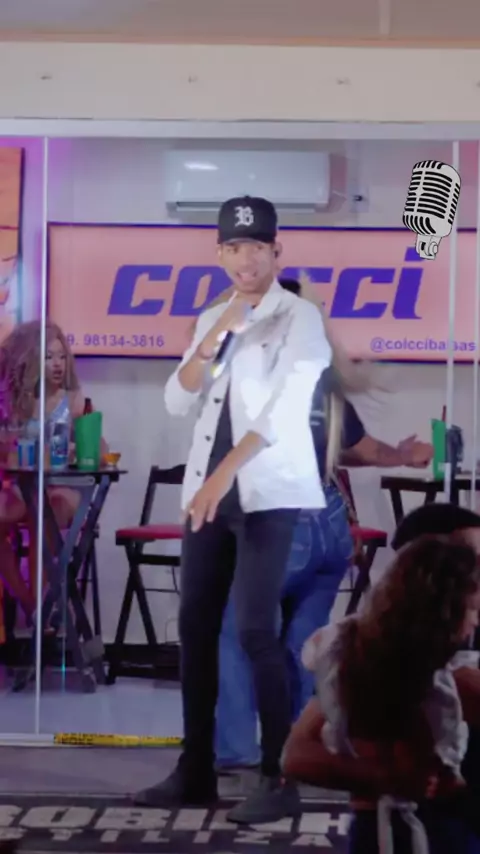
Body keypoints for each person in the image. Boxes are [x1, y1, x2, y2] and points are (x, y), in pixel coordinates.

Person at [133, 195, 332, 824]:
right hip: (209, 494)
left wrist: (222, 476)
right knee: (195, 626)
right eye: (235, 248)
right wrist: (212, 336)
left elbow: (283, 410)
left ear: (277, 252)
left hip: (266, 495)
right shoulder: (213, 316)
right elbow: (177, 399)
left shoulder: (300, 318)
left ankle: (280, 775)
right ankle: (195, 770)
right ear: (220, 254)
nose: (247, 259)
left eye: (258, 247)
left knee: (253, 630)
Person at [214, 277, 433, 770]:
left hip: (280, 519)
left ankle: (236, 751)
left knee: (236, 635)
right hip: (329, 524)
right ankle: (299, 749)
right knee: (302, 645)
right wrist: (402, 455)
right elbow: (351, 448)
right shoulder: (322, 381)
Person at [282, 502, 480, 854]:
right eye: (473, 564)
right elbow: (297, 755)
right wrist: (388, 779)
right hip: (421, 827)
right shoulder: (374, 653)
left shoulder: (366, 648)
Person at [0, 320, 105, 626]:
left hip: (62, 490)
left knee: (43, 516)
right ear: (31, 359)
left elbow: (98, 450)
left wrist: (83, 444)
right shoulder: (13, 401)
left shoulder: (74, 398)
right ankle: (33, 606)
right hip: (22, 488)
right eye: (49, 357)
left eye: (62, 356)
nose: (58, 364)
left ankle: (41, 613)